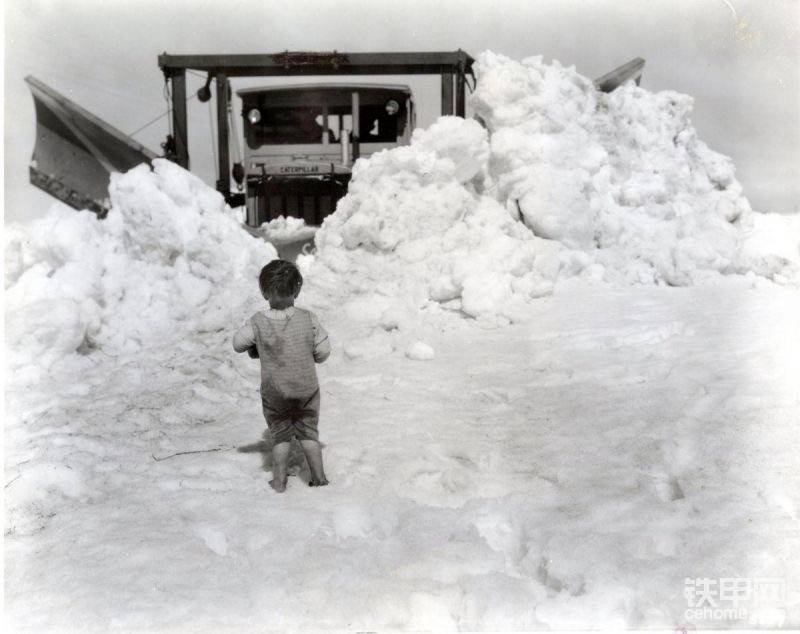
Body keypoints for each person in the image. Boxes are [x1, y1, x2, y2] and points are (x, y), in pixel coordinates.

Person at [233, 260, 331, 492]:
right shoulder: (308, 318)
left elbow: (238, 344)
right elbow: (323, 352)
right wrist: (312, 353)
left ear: (264, 292)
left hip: (275, 392)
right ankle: (319, 477)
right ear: (297, 290)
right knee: (308, 433)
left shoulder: (258, 321)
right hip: (306, 389)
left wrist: (255, 345)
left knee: (281, 437)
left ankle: (279, 481)